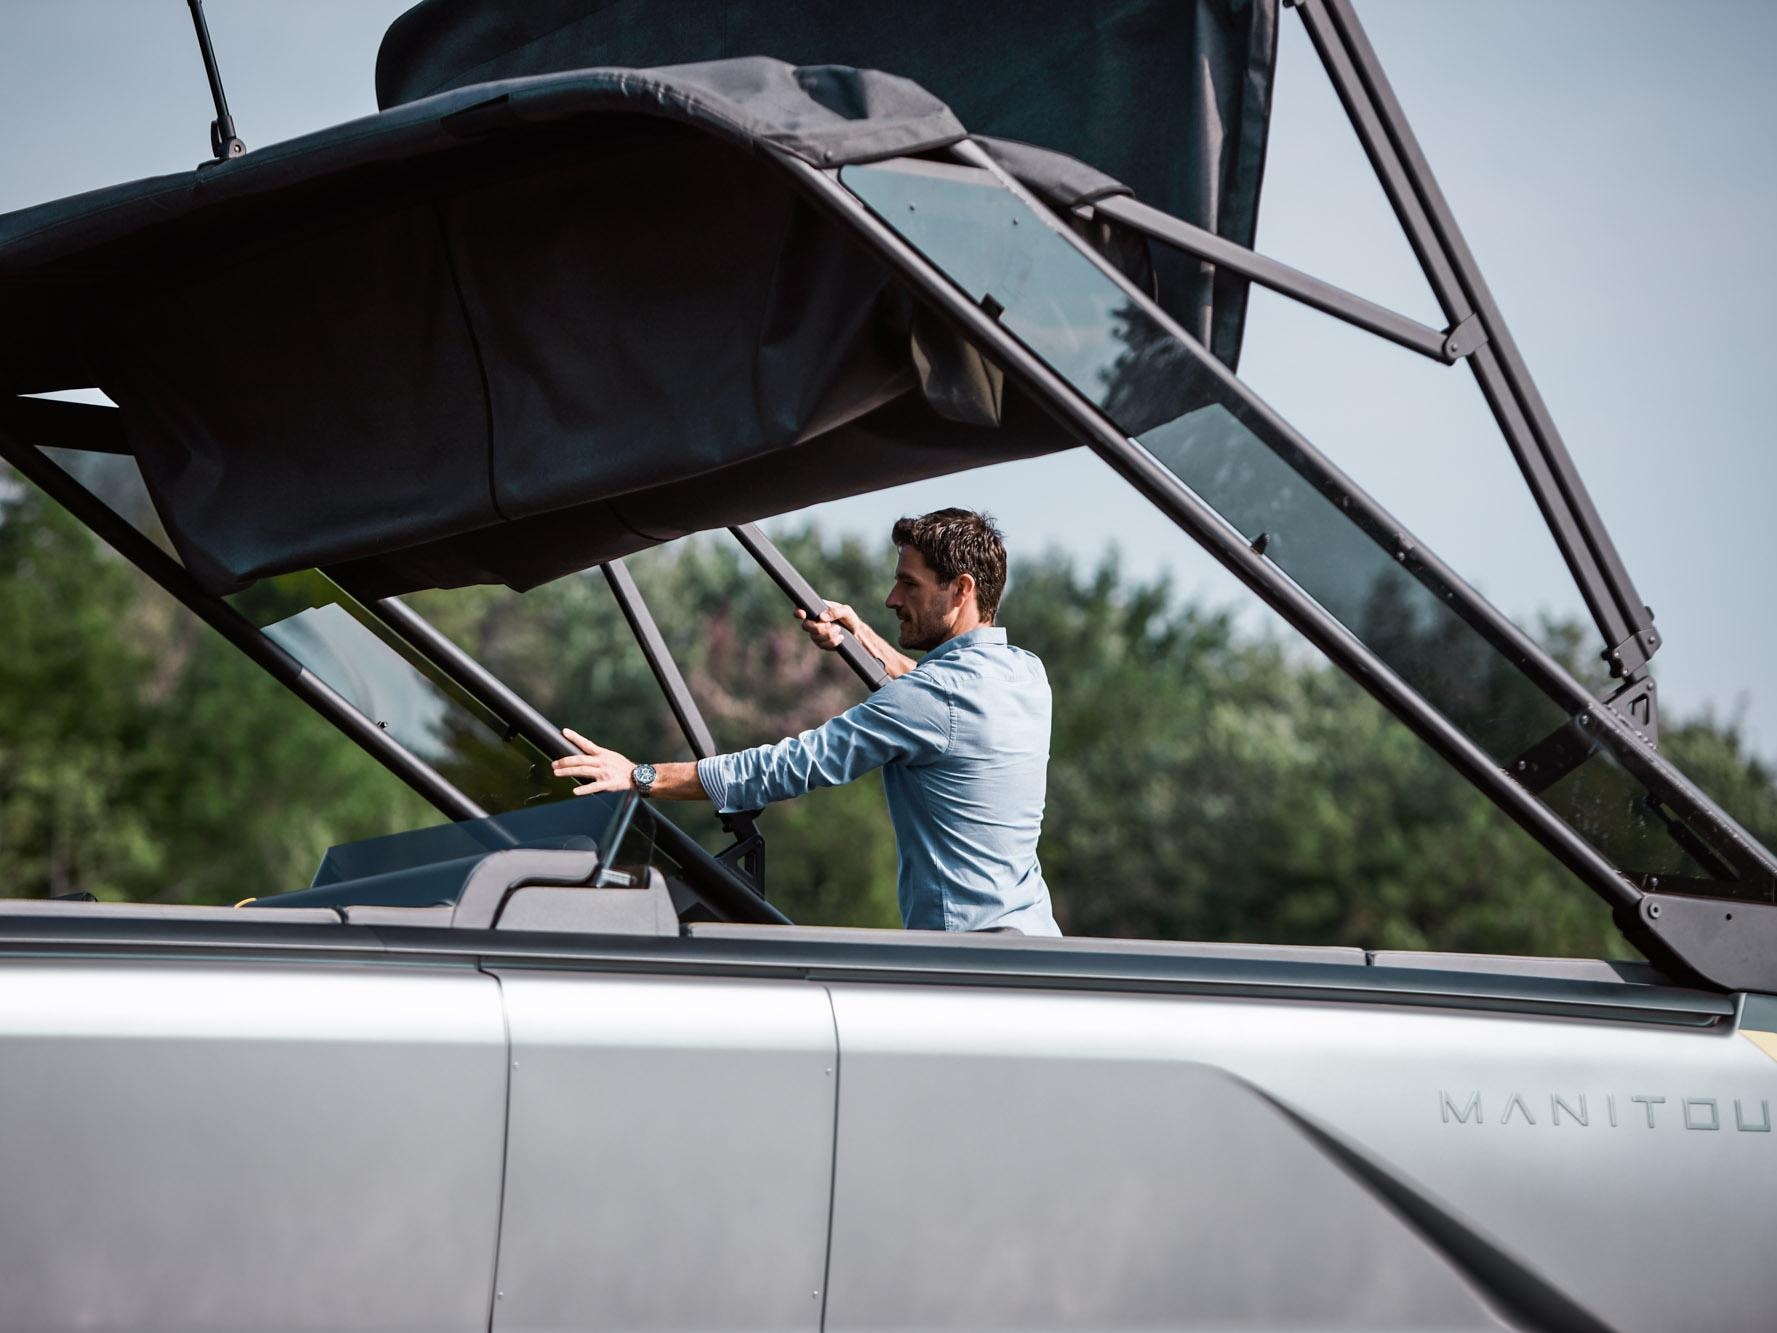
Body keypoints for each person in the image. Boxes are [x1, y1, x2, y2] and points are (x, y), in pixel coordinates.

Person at [554, 508, 1060, 935]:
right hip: (1035, 949)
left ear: (960, 590)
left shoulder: (933, 699)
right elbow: (930, 689)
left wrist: (643, 777)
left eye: (909, 584)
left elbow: (790, 766)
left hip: (966, 969)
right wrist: (856, 638)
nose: (891, 599)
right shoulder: (1025, 674)